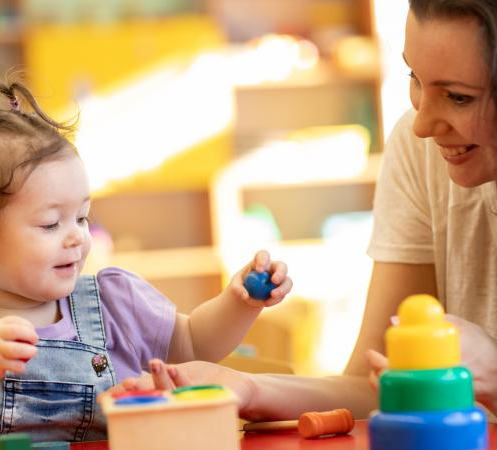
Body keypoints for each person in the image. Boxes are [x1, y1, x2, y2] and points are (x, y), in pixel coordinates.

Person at [117, 0, 497, 422]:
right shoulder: (420, 151)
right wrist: (248, 387)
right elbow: (372, 388)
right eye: (415, 78)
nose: (422, 125)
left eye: (459, 97)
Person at [0, 80, 294, 443]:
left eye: (82, 217)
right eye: (51, 223)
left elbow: (195, 345)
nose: (77, 237)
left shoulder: (114, 302)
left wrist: (240, 302)